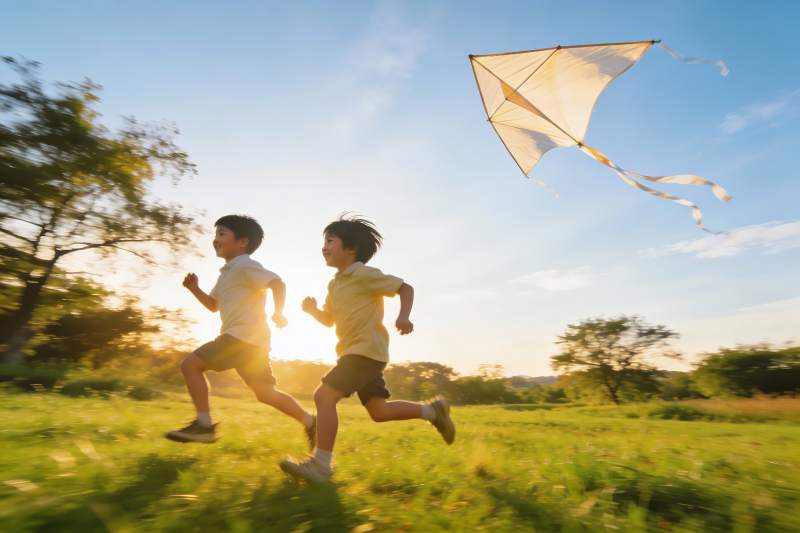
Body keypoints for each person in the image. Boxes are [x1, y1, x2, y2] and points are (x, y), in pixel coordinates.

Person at [280, 215, 455, 482]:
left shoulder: (362, 274)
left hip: (365, 351)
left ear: (351, 249)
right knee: (379, 411)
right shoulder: (335, 283)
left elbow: (404, 288)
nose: (324, 247)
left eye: (330, 241)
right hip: (358, 352)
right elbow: (330, 320)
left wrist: (404, 316)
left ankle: (321, 465)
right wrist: (313, 311)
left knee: (324, 397)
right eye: (323, 242)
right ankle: (433, 411)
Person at [166, 215, 315, 447]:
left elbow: (277, 283)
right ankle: (310, 422)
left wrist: (279, 312)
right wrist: (195, 289)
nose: (215, 240)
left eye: (222, 234)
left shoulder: (245, 265)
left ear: (242, 242)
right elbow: (213, 305)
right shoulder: (227, 272)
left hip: (241, 337)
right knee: (265, 392)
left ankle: (204, 425)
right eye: (215, 235)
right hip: (253, 341)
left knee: (191, 365)